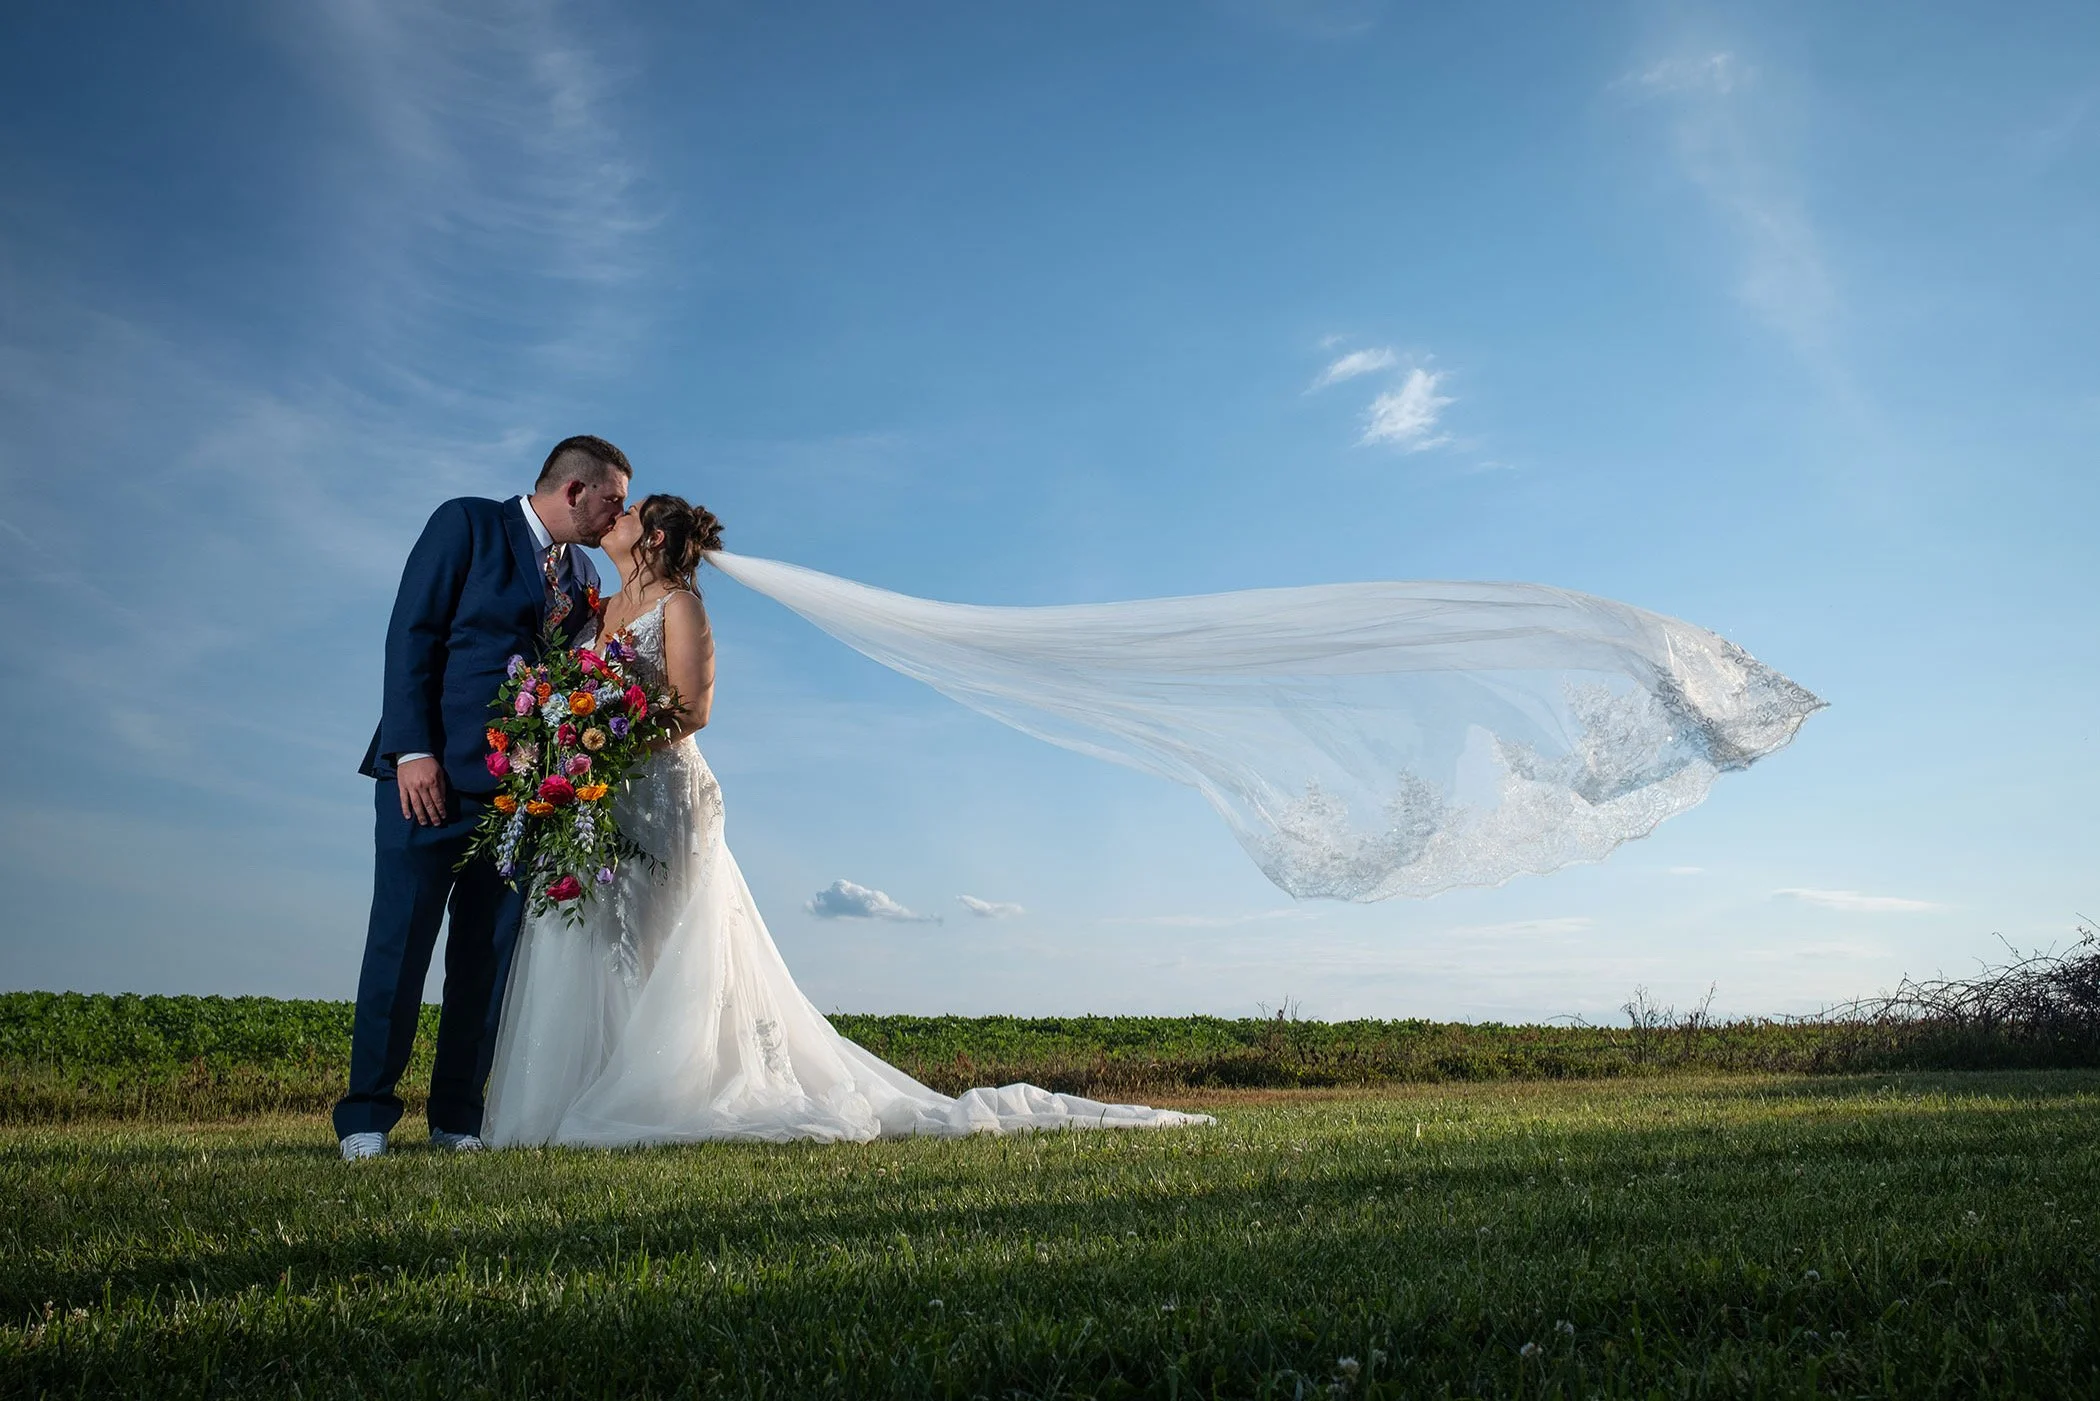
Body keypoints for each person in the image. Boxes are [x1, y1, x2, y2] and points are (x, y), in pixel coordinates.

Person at [483, 496, 1211, 1143]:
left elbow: (693, 708)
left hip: (662, 791)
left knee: (663, 938)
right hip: (600, 797)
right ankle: (589, 1086)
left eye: (631, 513)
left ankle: (665, 1089)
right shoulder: (596, 609)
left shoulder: (680, 607)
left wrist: (601, 745)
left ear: (656, 540)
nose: (615, 516)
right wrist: (568, 749)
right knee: (601, 934)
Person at [335, 436, 630, 1160]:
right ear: (574, 490)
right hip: (427, 781)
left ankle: (457, 1118)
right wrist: (412, 751)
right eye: (613, 500)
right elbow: (412, 634)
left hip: (519, 798)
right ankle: (367, 1117)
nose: (617, 516)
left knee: (486, 960)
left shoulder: (583, 573)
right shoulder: (465, 523)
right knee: (399, 945)